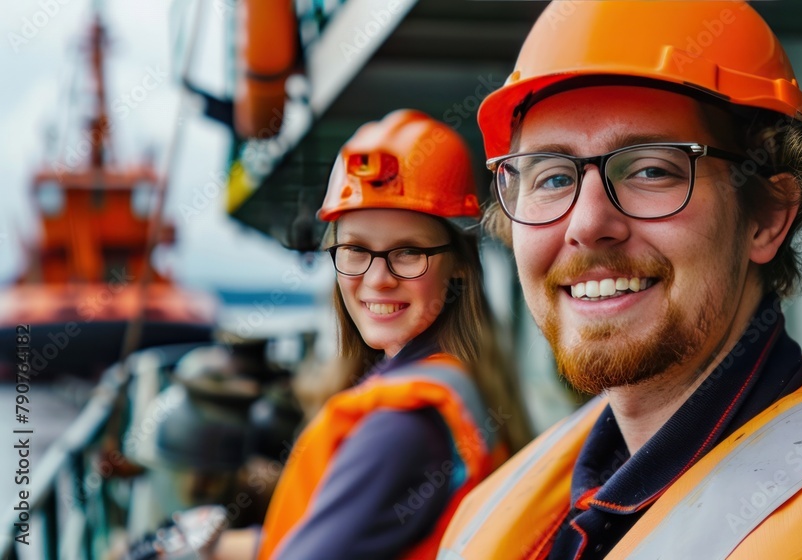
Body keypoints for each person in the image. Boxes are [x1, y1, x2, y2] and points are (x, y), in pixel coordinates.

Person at [440, 2, 802, 559]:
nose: (588, 224)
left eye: (651, 170)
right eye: (552, 176)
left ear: (767, 217)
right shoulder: (548, 492)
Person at [130, 109, 530, 560]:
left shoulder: (401, 429)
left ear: (457, 267)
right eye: (357, 249)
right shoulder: (454, 382)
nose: (378, 279)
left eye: (408, 252)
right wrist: (213, 545)